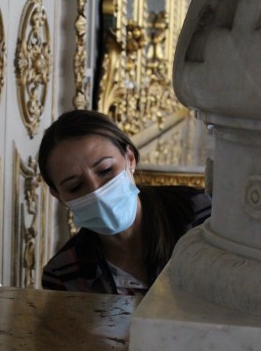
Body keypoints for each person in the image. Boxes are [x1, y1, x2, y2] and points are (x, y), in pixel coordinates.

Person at [38, 109, 211, 295]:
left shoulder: (200, 215)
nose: (96, 191)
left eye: (105, 170)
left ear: (130, 158)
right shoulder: (64, 274)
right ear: (59, 196)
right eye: (75, 186)